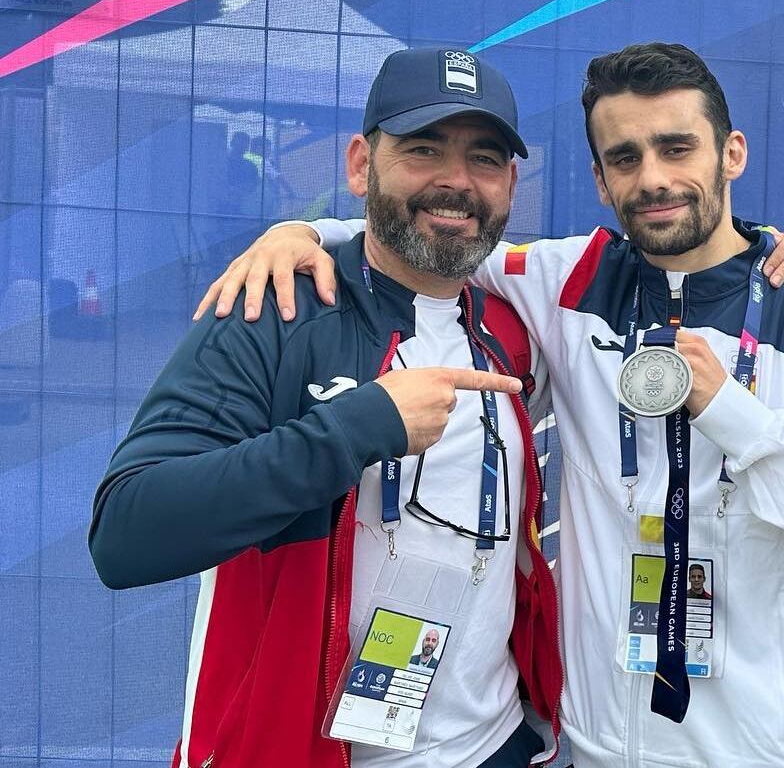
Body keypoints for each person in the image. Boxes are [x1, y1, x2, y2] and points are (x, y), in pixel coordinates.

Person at [199, 42, 784, 768]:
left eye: (677, 148)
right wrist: (302, 233)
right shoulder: (566, 278)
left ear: (731, 153)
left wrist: (733, 411)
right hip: (598, 748)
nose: (655, 178)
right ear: (601, 182)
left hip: (765, 753)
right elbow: (425, 232)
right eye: (625, 158)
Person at [92, 48, 567, 768]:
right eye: (423, 149)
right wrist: (359, 427)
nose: (456, 182)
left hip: (495, 745)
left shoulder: (514, 327)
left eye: (485, 158)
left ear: (510, 183)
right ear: (359, 163)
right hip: (298, 751)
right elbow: (126, 532)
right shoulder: (272, 309)